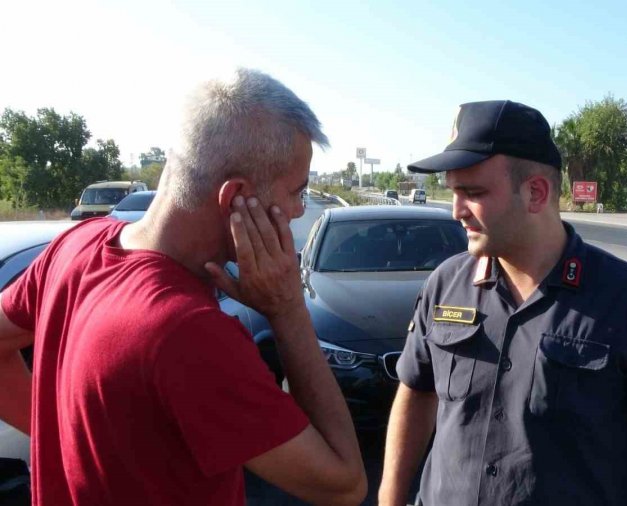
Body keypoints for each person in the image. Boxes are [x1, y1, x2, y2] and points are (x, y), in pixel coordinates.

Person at [0, 69, 366, 505]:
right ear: (236, 197)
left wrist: (61, 435)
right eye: (296, 192)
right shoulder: (189, 331)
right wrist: (288, 310)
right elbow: (344, 485)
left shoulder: (75, 246)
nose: (299, 210)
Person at [379, 100, 627, 506]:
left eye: (473, 193)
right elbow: (415, 394)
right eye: (453, 192)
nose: (456, 211)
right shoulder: (446, 284)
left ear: (536, 192)